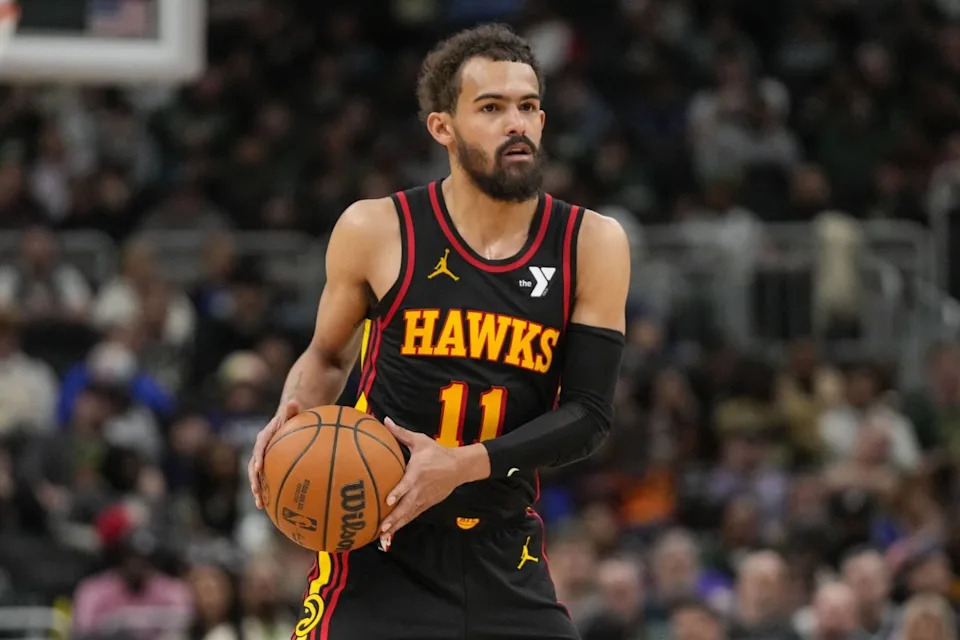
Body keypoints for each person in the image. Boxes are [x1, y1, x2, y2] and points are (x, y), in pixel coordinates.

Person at [247, 23, 629, 639]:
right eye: (492, 107)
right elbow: (324, 356)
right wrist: (290, 419)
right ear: (442, 128)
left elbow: (589, 415)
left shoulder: (591, 242)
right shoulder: (377, 229)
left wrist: (462, 465)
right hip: (378, 545)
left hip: (504, 551)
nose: (518, 124)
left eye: (529, 106)